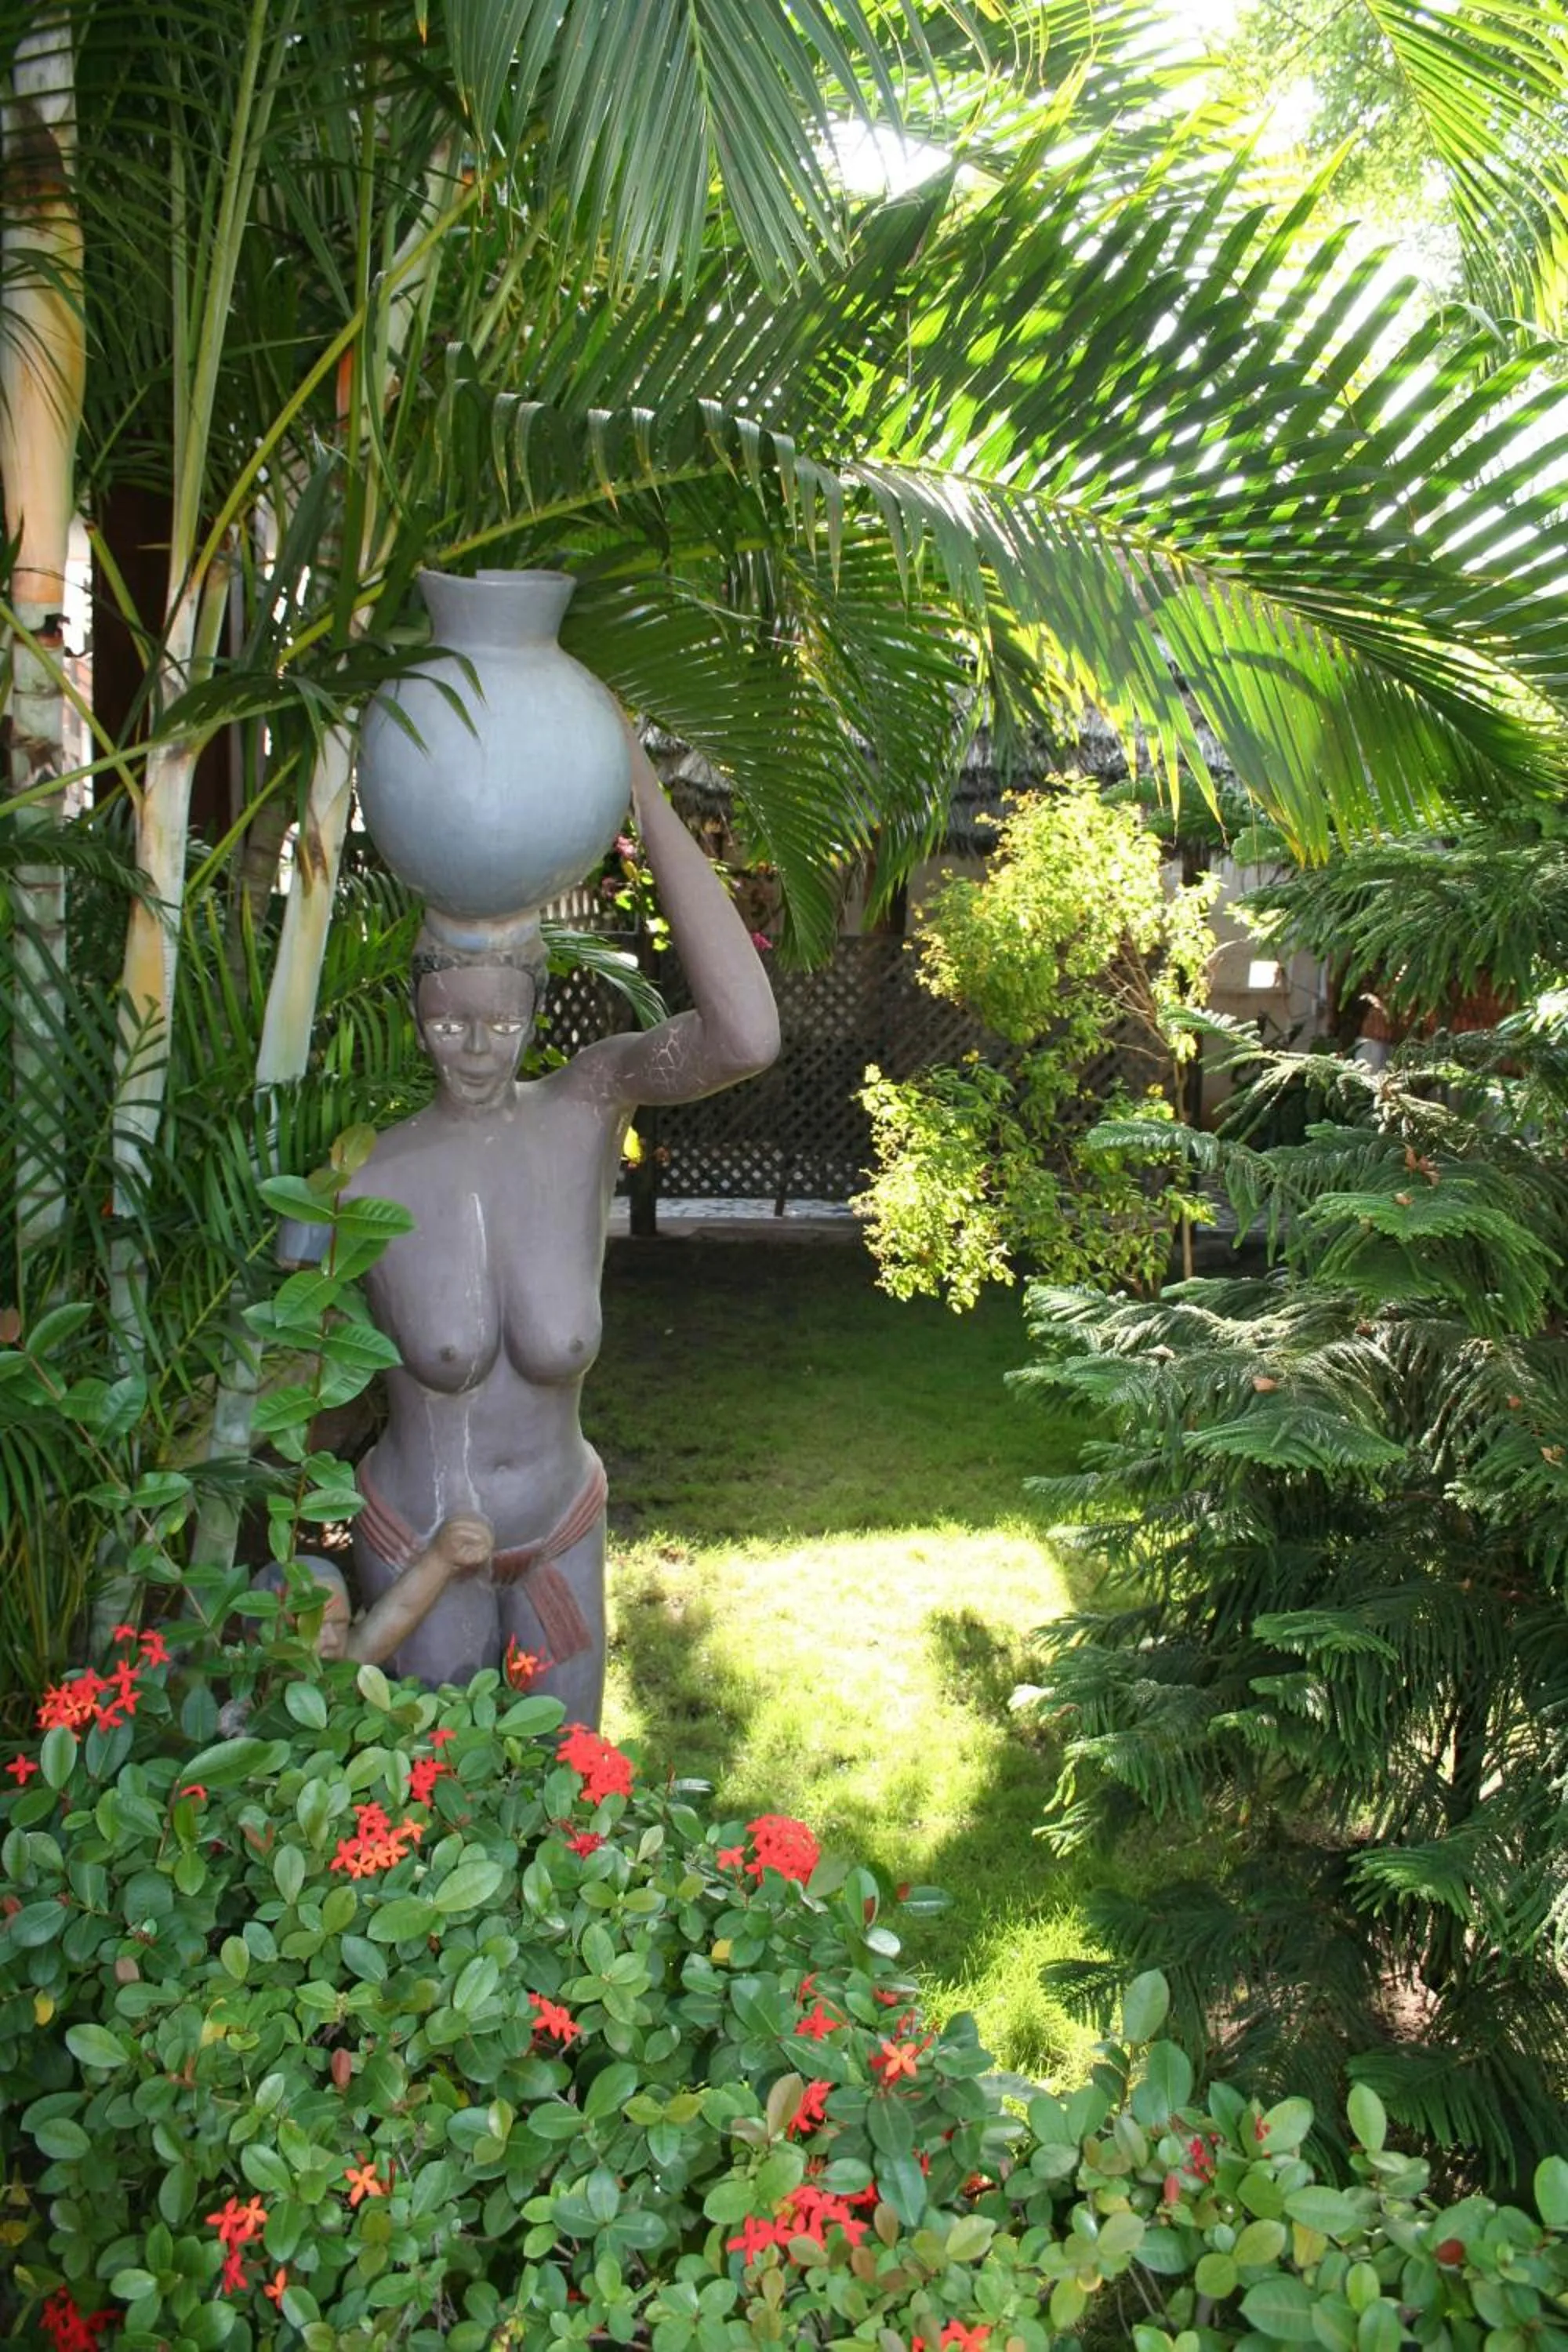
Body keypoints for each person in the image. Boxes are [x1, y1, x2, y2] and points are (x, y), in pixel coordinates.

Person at [343, 724, 780, 1723]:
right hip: (417, 1536)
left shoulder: (583, 1110)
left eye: (500, 1023)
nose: (476, 1048)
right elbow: (291, 1380)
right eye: (449, 1022)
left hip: (561, 1525)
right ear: (417, 1014)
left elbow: (745, 1038)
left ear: (535, 1013)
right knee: (434, 1813)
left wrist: (638, 788)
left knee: (574, 1803)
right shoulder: (367, 1172)